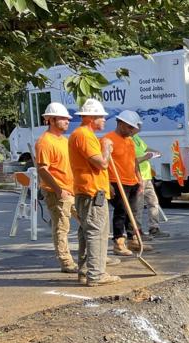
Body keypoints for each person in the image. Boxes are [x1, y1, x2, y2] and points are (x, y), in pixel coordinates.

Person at [69, 98, 120, 286]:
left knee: (86, 231)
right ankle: (96, 274)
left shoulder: (84, 135)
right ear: (91, 117)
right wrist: (106, 148)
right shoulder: (83, 135)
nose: (104, 120)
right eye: (101, 117)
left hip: (90, 189)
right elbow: (102, 163)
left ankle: (85, 271)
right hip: (90, 192)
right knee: (96, 232)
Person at [34, 102, 78, 273]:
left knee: (87, 222)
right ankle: (66, 261)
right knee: (61, 227)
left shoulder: (63, 140)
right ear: (51, 120)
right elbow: (43, 170)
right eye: (63, 118)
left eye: (67, 118)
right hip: (57, 193)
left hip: (72, 190)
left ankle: (93, 255)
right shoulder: (45, 142)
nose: (68, 121)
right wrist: (59, 190)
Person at [104, 110, 152, 256]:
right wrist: (108, 184)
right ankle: (118, 241)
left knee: (133, 211)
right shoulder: (108, 140)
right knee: (121, 211)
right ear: (120, 123)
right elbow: (104, 165)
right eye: (130, 127)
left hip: (132, 180)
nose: (132, 131)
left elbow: (133, 162)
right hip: (116, 182)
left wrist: (139, 180)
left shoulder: (130, 141)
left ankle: (133, 239)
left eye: (133, 128)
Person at [131, 124, 169, 239]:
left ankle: (154, 228)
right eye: (138, 125)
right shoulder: (128, 141)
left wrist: (155, 152)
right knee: (138, 205)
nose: (140, 127)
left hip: (146, 176)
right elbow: (133, 161)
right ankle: (137, 231)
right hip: (138, 176)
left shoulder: (136, 138)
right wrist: (146, 157)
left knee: (153, 202)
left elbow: (145, 148)